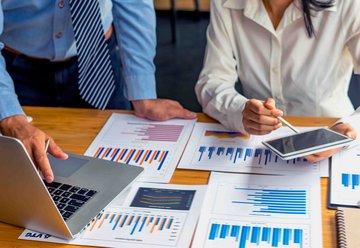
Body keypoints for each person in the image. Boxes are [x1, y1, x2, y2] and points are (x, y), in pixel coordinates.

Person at [0, 1, 196, 183]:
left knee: (119, 176)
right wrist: (9, 116)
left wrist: (142, 92)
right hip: (14, 70)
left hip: (98, 59)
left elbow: (134, 4)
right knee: (26, 181)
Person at [196, 0, 360, 163]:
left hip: (331, 132)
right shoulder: (225, 3)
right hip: (258, 142)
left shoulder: (349, 4)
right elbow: (212, 82)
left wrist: (347, 130)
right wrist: (239, 110)